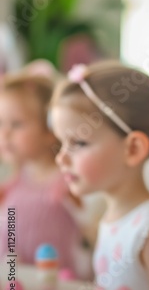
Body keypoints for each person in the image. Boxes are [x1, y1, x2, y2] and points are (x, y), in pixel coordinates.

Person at [50, 61, 149, 290]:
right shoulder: (111, 217)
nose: (61, 158)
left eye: (78, 143)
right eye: (61, 143)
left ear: (133, 148)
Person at [0, 72, 91, 279]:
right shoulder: (13, 182)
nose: (4, 134)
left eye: (16, 124)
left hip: (58, 285)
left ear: (50, 129)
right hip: (18, 283)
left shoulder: (69, 179)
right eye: (0, 123)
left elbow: (89, 225)